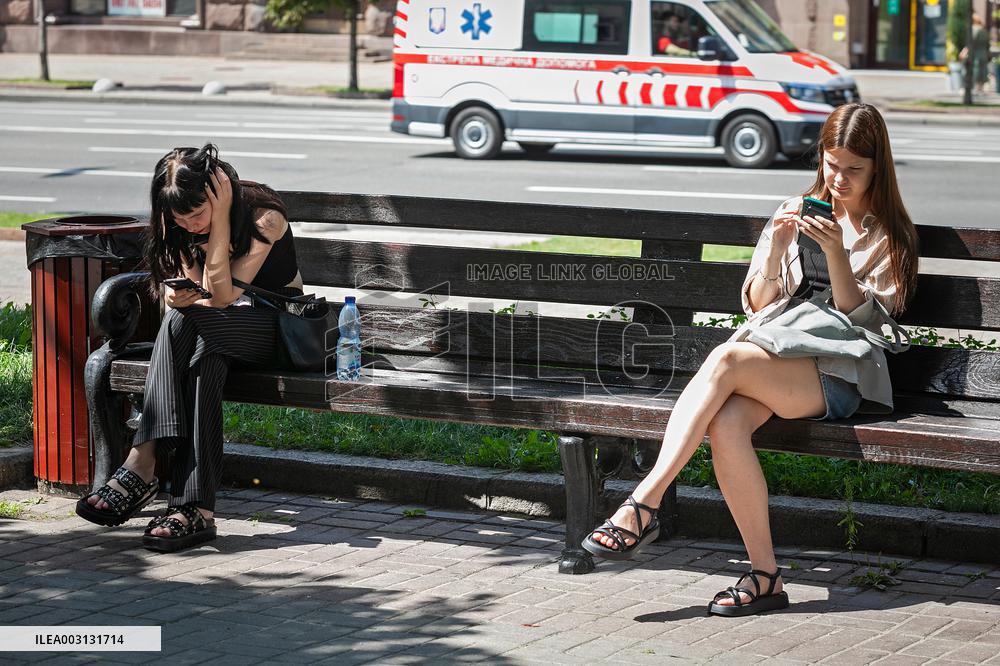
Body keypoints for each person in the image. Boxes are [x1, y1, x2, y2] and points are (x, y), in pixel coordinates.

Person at [582, 103, 919, 616]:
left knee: (724, 360)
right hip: (779, 357)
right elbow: (761, 305)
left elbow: (875, 326)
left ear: (878, 167)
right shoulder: (797, 207)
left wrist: (836, 256)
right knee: (728, 422)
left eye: (855, 168)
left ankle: (642, 505)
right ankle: (767, 577)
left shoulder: (890, 233)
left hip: (842, 374)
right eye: (832, 164)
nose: (840, 178)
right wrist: (780, 243)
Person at [76, 143, 304, 552]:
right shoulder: (179, 224)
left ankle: (141, 463)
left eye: (198, 213)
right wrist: (174, 297)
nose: (190, 224)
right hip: (215, 336)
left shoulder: (264, 219)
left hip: (273, 330)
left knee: (188, 323)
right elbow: (195, 295)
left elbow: (220, 296)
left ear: (220, 194)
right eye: (181, 218)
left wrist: (218, 229)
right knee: (204, 359)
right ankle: (194, 509)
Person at [960, 14, 991, 94]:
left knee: (974, 70)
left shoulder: (972, 30)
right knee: (983, 70)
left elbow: (970, 43)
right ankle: (980, 87)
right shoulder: (984, 31)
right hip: (983, 53)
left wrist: (964, 51)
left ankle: (972, 87)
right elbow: (988, 44)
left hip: (974, 54)